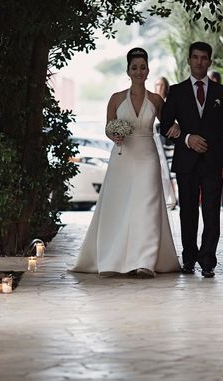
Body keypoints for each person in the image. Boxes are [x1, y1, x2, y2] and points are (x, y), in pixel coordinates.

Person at [70, 48, 181, 277]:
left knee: (147, 207)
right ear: (128, 71)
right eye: (134, 67)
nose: (139, 71)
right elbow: (109, 127)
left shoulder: (157, 100)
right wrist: (114, 135)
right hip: (122, 157)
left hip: (148, 155)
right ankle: (113, 258)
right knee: (119, 207)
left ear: (148, 70)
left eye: (143, 67)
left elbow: (169, 125)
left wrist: (177, 128)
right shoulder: (116, 99)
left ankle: (145, 261)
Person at [160, 41, 223, 278]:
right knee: (188, 213)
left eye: (204, 58)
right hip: (186, 162)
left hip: (214, 163)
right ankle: (189, 258)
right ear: (189, 60)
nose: (200, 62)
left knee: (212, 213)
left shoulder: (222, 93)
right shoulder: (176, 91)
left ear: (210, 62)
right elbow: (164, 126)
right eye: (195, 57)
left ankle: (208, 261)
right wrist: (187, 138)